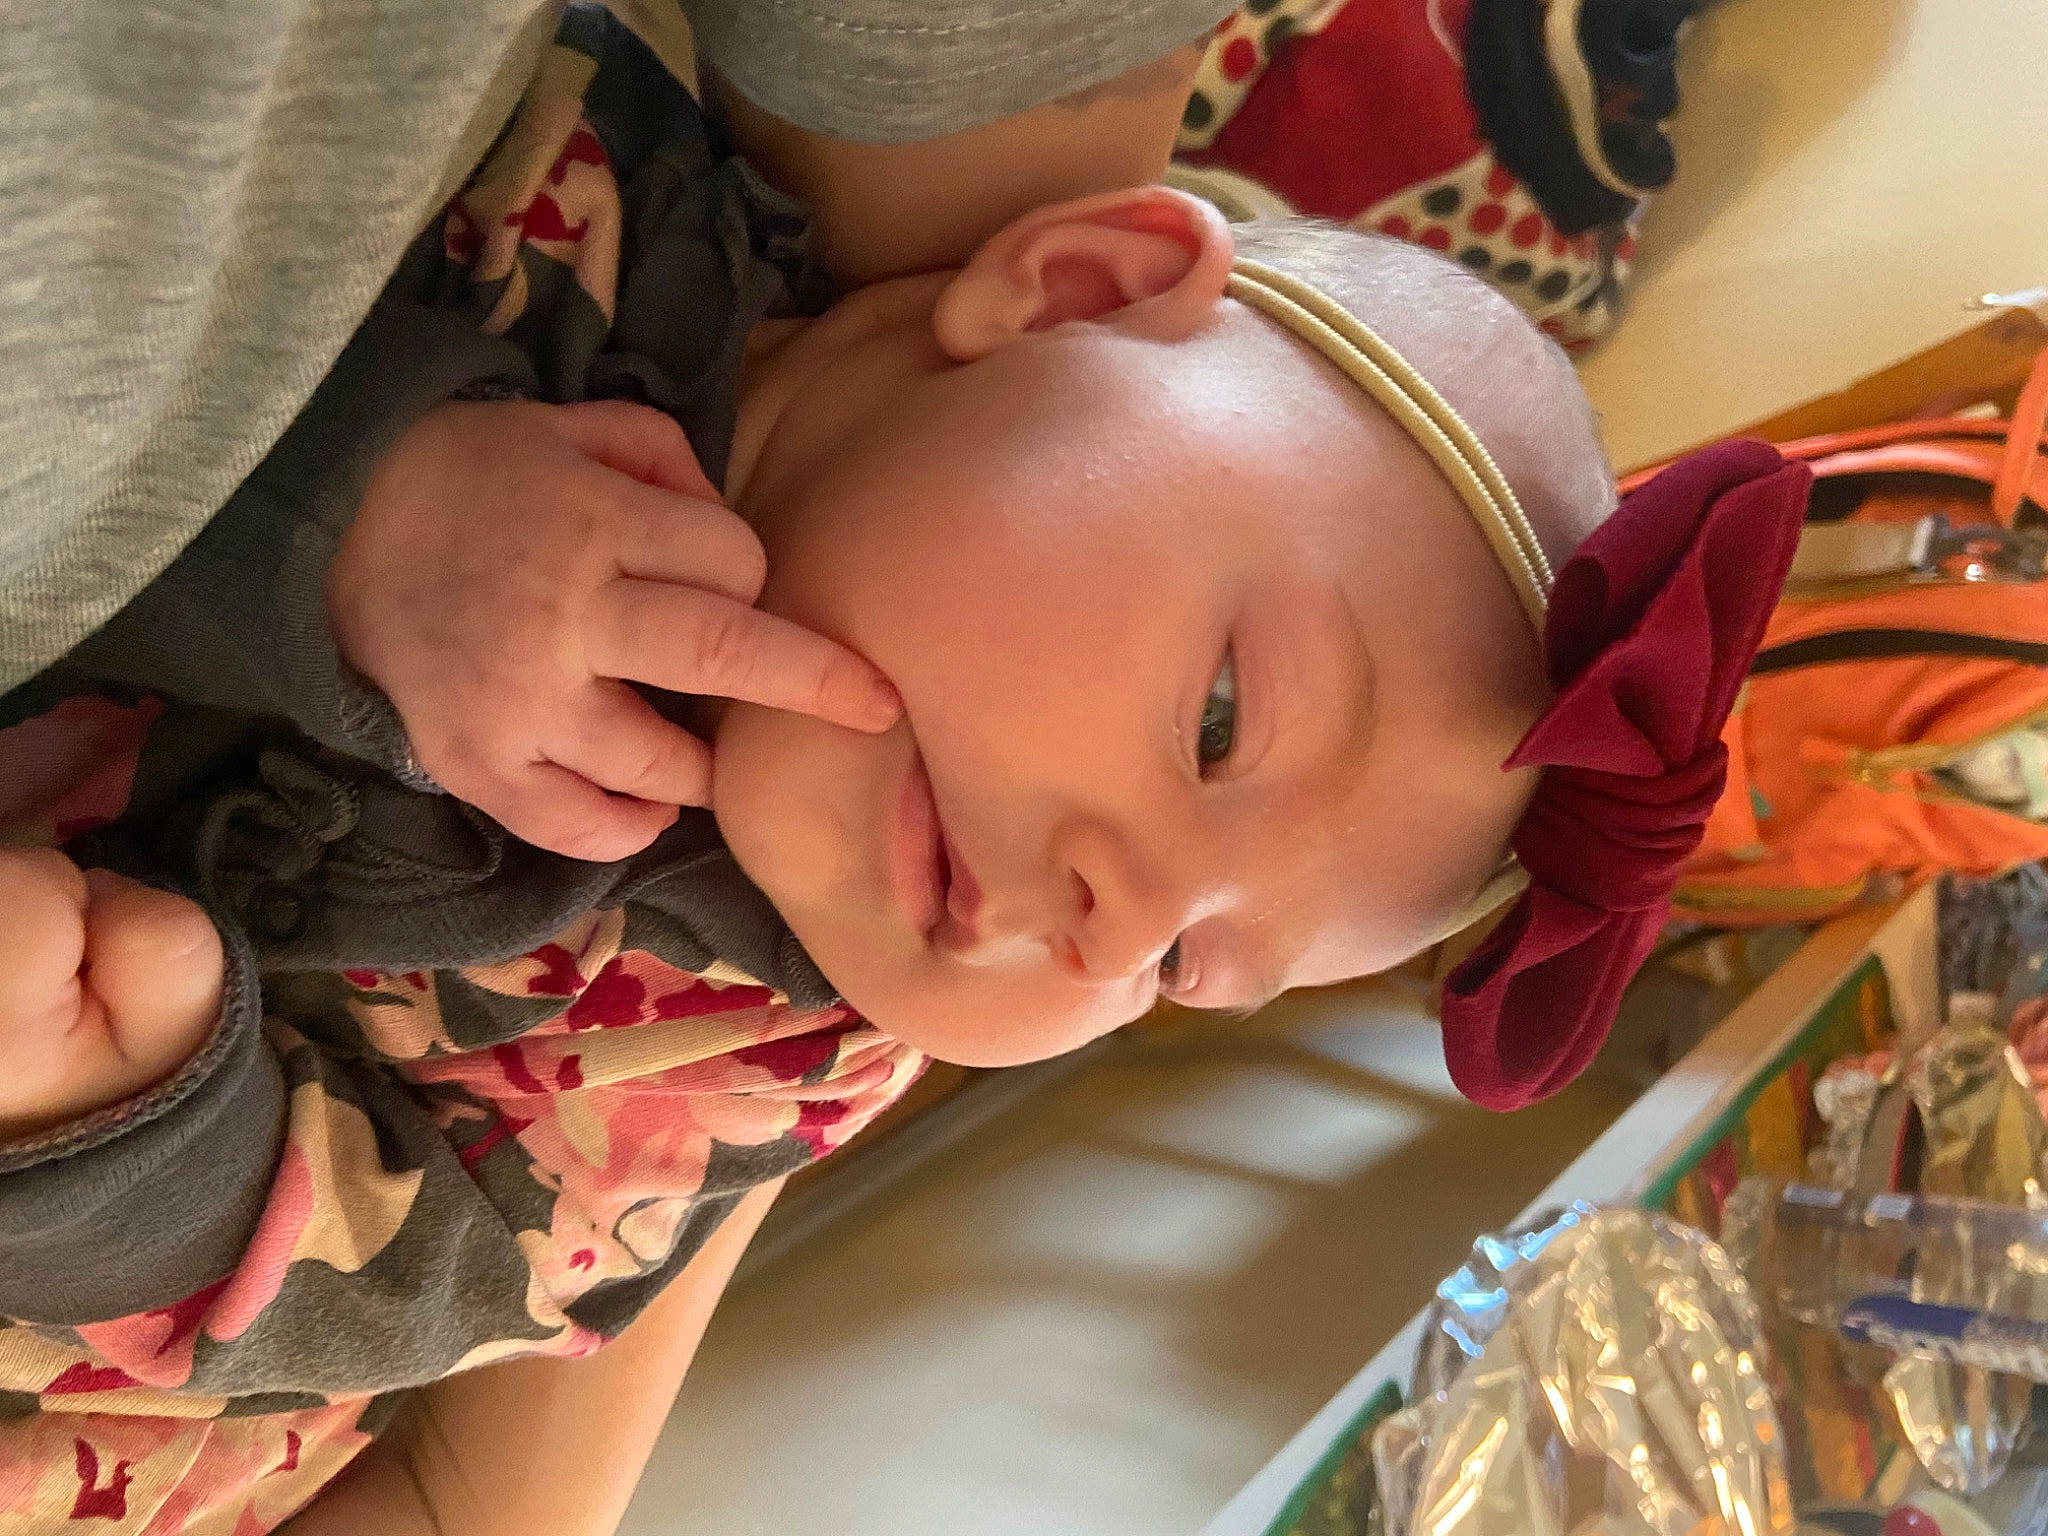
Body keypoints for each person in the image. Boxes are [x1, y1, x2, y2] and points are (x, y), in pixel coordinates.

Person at [0, 14, 1810, 1532]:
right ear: (1077, 291)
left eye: (1191, 969)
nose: (1114, 928)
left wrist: (123, 1124)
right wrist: (339, 530)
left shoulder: (756, 1055)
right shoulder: (556, 222)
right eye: (1218, 727)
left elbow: (434, 1279)